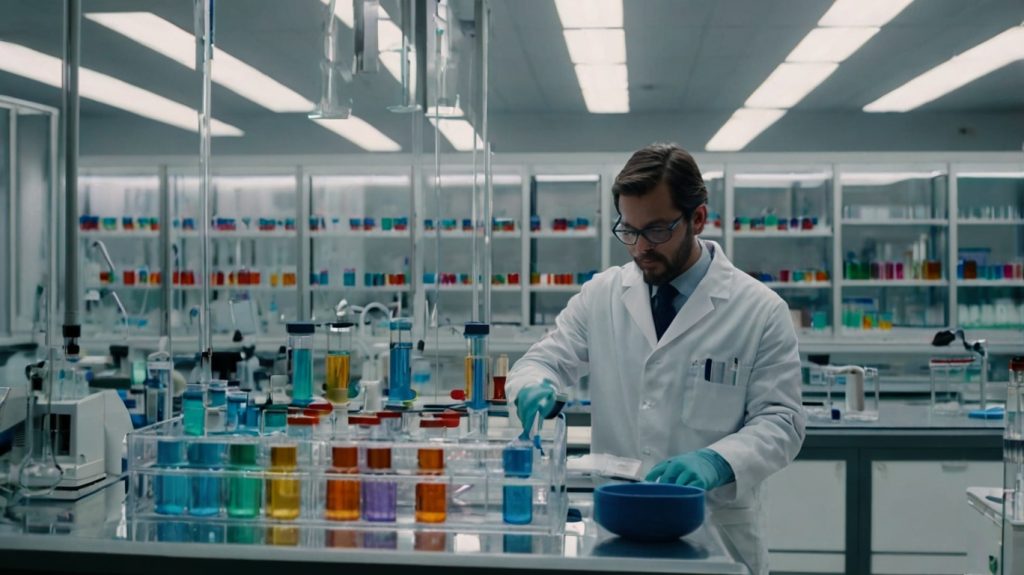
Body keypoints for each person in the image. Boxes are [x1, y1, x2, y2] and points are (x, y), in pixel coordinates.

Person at [506, 143, 805, 574]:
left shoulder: (759, 309)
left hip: (715, 529)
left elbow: (781, 421)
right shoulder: (602, 295)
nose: (641, 246)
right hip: (617, 526)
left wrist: (717, 461)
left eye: (658, 230)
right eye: (629, 230)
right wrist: (532, 384)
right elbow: (542, 362)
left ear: (698, 218)